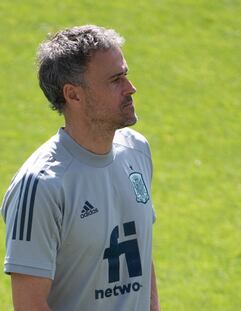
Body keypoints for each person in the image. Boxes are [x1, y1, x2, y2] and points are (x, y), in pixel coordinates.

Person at [0, 25, 161, 311]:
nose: (130, 87)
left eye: (125, 74)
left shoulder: (136, 151)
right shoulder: (41, 186)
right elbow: (29, 305)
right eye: (115, 80)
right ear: (73, 95)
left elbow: (140, 254)